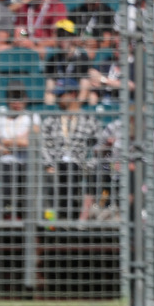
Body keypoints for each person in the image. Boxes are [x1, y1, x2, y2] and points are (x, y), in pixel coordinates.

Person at [40, 78, 100, 219]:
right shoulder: (51, 120)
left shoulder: (89, 120)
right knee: (57, 173)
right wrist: (48, 164)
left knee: (71, 169)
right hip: (56, 164)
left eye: (61, 95)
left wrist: (89, 165)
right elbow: (42, 144)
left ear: (72, 94)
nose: (57, 98)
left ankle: (70, 217)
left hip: (79, 165)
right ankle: (55, 220)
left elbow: (100, 146)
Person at [0, 84, 35, 220]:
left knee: (11, 172)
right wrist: (13, 145)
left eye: (20, 98)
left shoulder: (32, 118)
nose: (17, 103)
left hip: (20, 164)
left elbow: (29, 142)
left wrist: (2, 141)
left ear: (26, 99)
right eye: (13, 98)